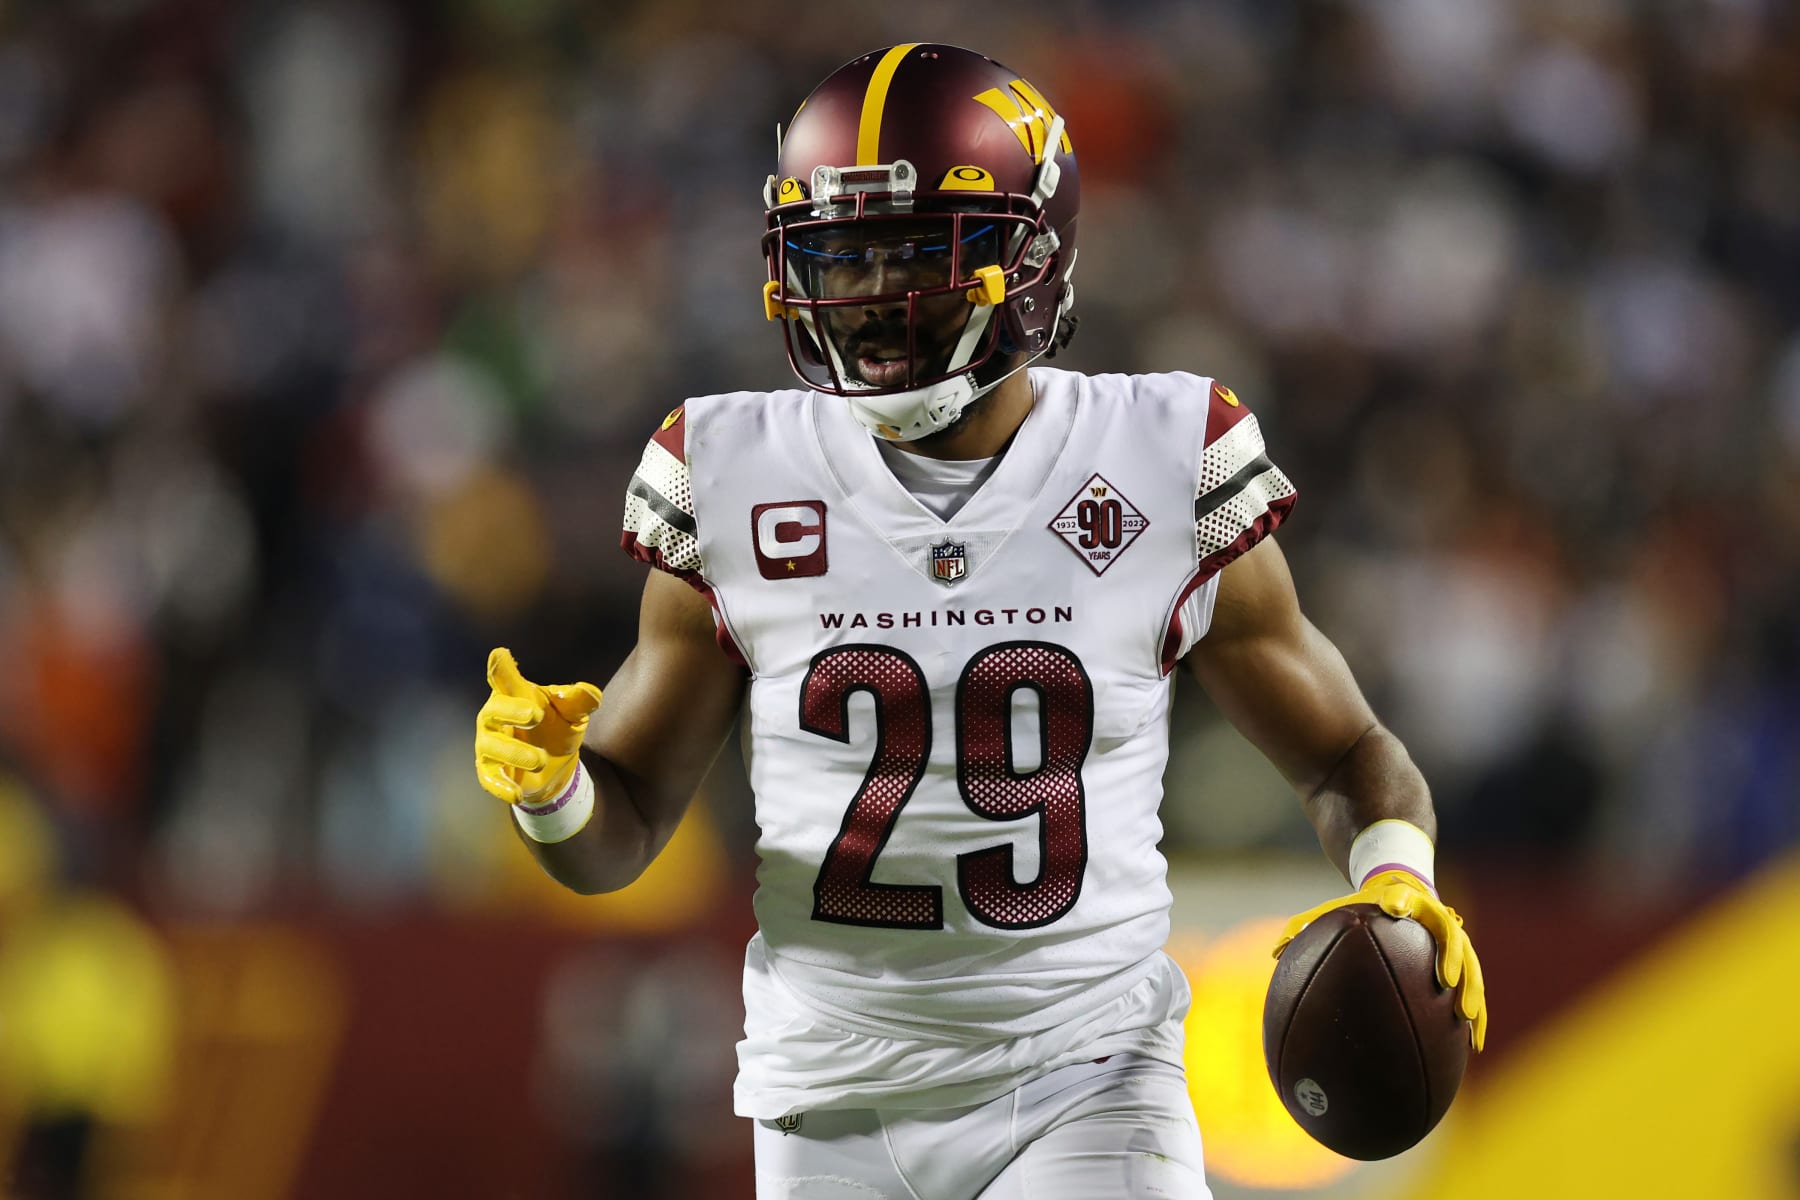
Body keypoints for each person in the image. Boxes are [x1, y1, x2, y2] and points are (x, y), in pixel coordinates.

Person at [473, 43, 1486, 1200]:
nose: (865, 299)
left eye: (910, 254)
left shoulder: (1162, 457)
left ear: (1032, 257)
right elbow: (628, 827)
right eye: (835, 259)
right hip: (829, 1094)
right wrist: (553, 795)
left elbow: (1349, 754)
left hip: (1088, 1071)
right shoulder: (729, 471)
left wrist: (1400, 874)